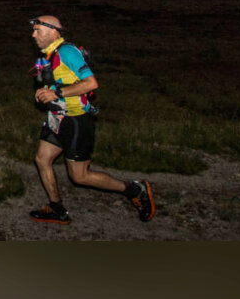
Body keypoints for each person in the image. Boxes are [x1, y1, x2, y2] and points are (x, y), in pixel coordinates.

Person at [27, 15, 154, 225]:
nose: (33, 35)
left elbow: (91, 83)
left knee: (79, 176)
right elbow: (59, 80)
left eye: (38, 30)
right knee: (42, 159)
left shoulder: (67, 52)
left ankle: (134, 189)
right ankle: (57, 208)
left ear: (53, 32)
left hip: (75, 121)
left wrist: (56, 93)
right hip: (57, 118)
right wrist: (44, 92)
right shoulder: (49, 54)